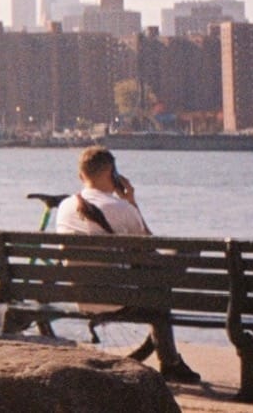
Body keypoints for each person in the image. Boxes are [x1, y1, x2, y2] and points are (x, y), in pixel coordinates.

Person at [54, 146, 202, 386]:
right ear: (111, 173)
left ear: (81, 175)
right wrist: (131, 202)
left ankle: (171, 362)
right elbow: (150, 251)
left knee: (157, 287)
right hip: (117, 300)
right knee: (176, 265)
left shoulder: (65, 207)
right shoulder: (122, 208)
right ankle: (170, 363)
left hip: (81, 296)